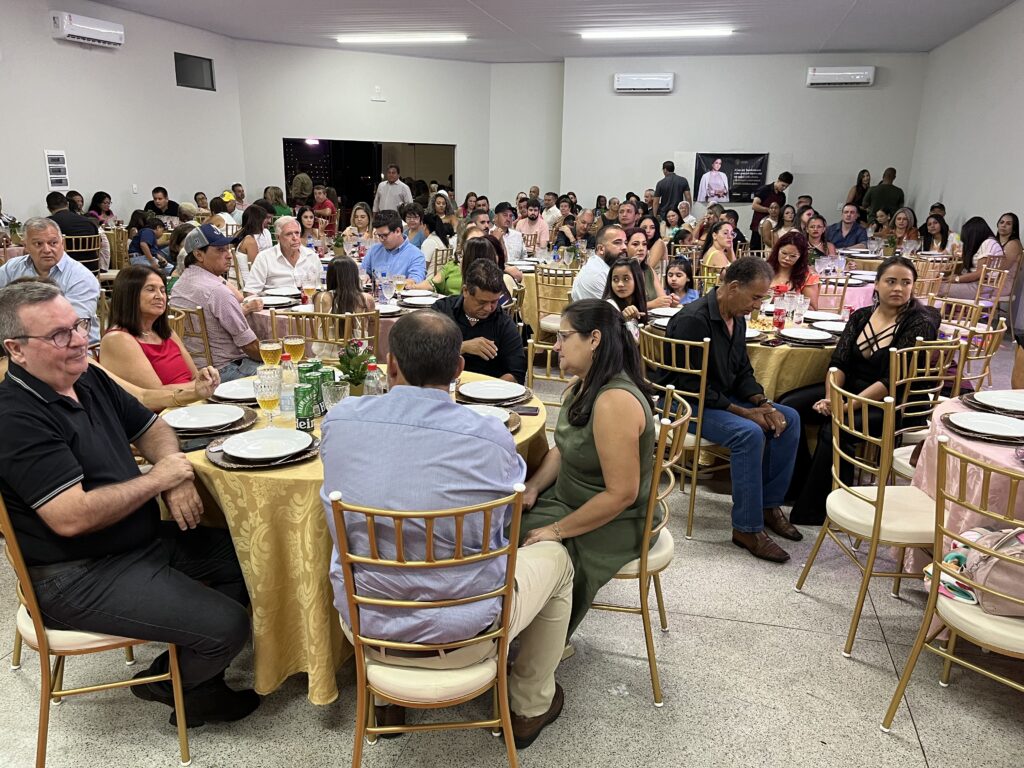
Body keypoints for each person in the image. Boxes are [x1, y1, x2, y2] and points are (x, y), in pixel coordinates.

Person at [0, 280, 258, 727]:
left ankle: (192, 684)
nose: (79, 340)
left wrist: (175, 475)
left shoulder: (86, 375)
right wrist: (158, 479)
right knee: (228, 626)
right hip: (77, 573)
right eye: (59, 334)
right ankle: (180, 682)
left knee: (251, 560)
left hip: (137, 540)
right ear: (16, 349)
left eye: (78, 325)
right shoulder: (15, 417)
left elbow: (153, 427)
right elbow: (70, 517)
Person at [320, 310, 571, 747]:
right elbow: (507, 518)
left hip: (366, 624)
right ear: (459, 368)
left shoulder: (340, 421)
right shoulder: (491, 436)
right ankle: (528, 705)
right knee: (558, 559)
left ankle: (386, 699)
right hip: (468, 631)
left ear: (390, 364)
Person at [521, 299, 655, 636]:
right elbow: (566, 449)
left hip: (613, 520)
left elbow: (622, 494)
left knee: (505, 535)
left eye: (563, 337)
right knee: (501, 517)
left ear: (594, 339)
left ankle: (536, 638)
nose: (556, 346)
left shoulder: (614, 402)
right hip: (573, 497)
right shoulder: (586, 383)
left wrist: (556, 530)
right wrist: (534, 487)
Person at [661, 257, 801, 561]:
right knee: (748, 433)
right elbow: (689, 384)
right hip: (685, 402)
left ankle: (767, 505)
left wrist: (762, 403)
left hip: (716, 397)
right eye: (755, 297)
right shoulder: (693, 320)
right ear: (734, 287)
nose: (757, 305)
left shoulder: (737, 319)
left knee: (789, 417)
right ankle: (746, 528)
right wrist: (745, 413)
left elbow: (742, 373)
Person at [783, 256, 939, 524]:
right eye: (891, 281)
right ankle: (800, 484)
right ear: (876, 284)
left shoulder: (919, 323)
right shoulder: (861, 316)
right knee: (788, 407)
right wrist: (831, 397)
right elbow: (838, 363)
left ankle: (818, 509)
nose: (898, 288)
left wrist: (844, 407)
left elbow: (892, 380)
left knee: (836, 426)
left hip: (894, 401)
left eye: (906, 283)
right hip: (851, 389)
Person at [100, 265, 220, 399]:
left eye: (163, 290)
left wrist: (206, 377)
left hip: (190, 401)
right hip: (165, 408)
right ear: (129, 295)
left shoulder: (165, 332)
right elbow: (155, 393)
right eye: (151, 289)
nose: (160, 296)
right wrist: (199, 386)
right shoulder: (118, 339)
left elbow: (194, 376)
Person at [169, 224, 264, 381]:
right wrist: (281, 356)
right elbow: (250, 346)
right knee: (289, 371)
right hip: (224, 370)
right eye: (220, 250)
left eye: (228, 249)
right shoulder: (217, 291)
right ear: (199, 255)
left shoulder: (179, 284)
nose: (229, 255)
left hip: (193, 368)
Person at [0, 218, 100, 344]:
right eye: (38, 244)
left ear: (62, 243)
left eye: (53, 243)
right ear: (25, 246)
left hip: (73, 345)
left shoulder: (81, 277)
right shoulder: (12, 268)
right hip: (21, 342)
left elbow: (72, 326)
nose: (47, 250)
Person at [432, 259, 525, 383]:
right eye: (482, 302)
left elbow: (517, 373)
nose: (488, 308)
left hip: (489, 389)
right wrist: (461, 347)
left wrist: (483, 390)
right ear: (465, 291)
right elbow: (422, 354)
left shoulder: (504, 324)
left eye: (494, 302)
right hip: (442, 385)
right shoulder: (442, 311)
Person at [244, 216, 322, 295]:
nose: (295, 238)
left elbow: (321, 286)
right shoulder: (264, 258)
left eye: (297, 233)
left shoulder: (311, 256)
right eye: (289, 234)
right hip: (274, 302)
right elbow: (250, 291)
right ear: (278, 238)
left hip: (306, 301)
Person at [945, 216, 1007, 299]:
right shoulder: (988, 242)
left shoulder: (988, 243)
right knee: (939, 284)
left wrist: (957, 279)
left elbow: (979, 273)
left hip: (980, 287)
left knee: (936, 287)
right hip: (977, 284)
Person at [46, 191, 107, 271]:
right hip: (92, 267)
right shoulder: (88, 221)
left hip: (67, 270)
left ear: (49, 208)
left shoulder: (49, 223)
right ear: (67, 204)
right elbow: (100, 244)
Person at [362, 210, 427, 284]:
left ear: (398, 231)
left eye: (385, 235)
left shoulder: (415, 255)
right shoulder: (375, 250)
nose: (381, 239)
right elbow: (362, 271)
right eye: (379, 235)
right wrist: (365, 276)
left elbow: (415, 281)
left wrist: (391, 283)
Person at [571, 226, 626, 302]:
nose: (624, 247)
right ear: (601, 249)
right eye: (617, 243)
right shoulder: (597, 273)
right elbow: (617, 307)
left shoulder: (597, 264)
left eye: (625, 242)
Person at [767, 231, 820, 308]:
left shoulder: (808, 276)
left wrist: (790, 299)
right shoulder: (764, 270)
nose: (787, 258)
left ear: (801, 257)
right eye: (784, 253)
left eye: (793, 256)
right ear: (777, 250)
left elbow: (813, 308)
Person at [625, 227, 673, 309]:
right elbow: (622, 307)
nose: (641, 249)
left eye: (644, 244)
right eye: (635, 244)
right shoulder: (621, 270)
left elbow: (662, 298)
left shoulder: (648, 270)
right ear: (626, 246)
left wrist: (670, 301)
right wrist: (652, 304)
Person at [602, 258, 647, 340]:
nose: (620, 284)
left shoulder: (634, 302)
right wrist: (624, 320)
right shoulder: (609, 306)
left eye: (626, 279)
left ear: (637, 280)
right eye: (615, 279)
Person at [749, 172, 793, 250]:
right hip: (759, 225)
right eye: (783, 185)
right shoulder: (764, 190)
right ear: (778, 180)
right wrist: (770, 210)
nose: (784, 188)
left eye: (786, 187)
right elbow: (754, 206)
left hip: (774, 226)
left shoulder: (782, 196)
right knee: (756, 249)